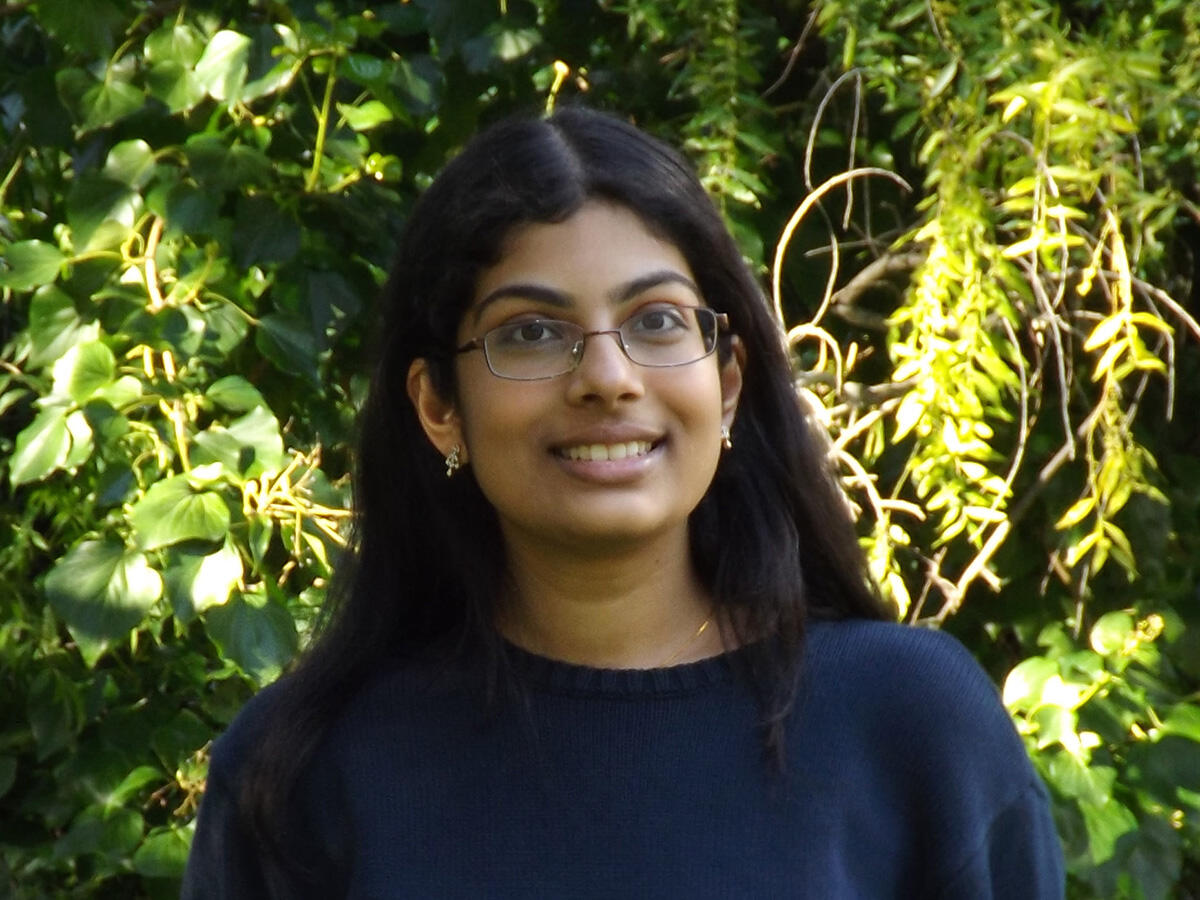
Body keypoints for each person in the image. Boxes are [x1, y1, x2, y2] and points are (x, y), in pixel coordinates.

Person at [181, 106, 1064, 898]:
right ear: (439, 407)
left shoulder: (910, 727)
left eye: (657, 322)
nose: (607, 378)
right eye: (532, 332)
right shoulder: (302, 773)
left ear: (725, 385)